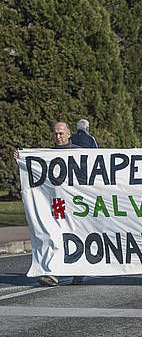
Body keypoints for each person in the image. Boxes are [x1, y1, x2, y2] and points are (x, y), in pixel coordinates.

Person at [36, 122, 82, 286]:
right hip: (57, 205)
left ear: (69, 134)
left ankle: (80, 268)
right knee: (55, 237)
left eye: (61, 133)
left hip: (76, 205)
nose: (58, 136)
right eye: (55, 134)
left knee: (76, 236)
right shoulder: (47, 155)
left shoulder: (80, 152)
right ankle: (53, 273)